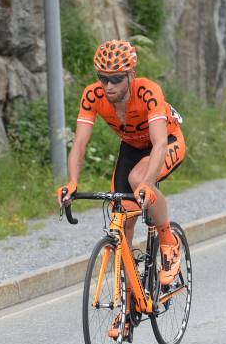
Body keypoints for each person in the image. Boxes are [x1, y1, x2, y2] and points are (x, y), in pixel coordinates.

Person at [57, 39, 186, 287]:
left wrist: (148, 184)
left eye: (116, 79)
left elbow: (159, 144)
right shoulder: (92, 95)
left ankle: (169, 242)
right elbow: (80, 143)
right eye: (103, 78)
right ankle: (128, 305)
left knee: (138, 179)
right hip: (132, 148)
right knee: (121, 224)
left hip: (166, 141)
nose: (108, 85)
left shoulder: (148, 91)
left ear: (131, 75)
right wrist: (72, 182)